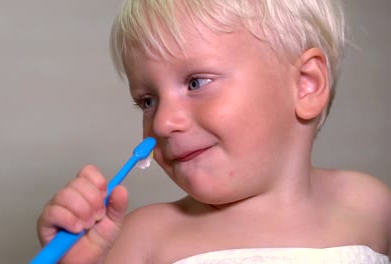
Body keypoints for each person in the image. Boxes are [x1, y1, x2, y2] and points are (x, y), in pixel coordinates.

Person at [37, 0, 391, 263]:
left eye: (196, 82)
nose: (161, 122)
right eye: (147, 101)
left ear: (305, 85)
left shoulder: (371, 205)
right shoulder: (139, 239)